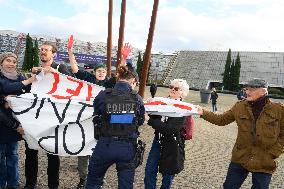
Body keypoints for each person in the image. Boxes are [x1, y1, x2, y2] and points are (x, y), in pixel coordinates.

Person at [197, 78, 284, 189]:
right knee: (229, 187)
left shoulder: (278, 110)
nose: (247, 92)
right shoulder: (239, 106)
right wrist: (203, 112)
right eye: (246, 89)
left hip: (264, 159)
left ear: (263, 91)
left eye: (251, 89)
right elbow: (221, 120)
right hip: (240, 156)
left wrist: (274, 152)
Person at [86, 65, 145, 189]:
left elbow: (97, 113)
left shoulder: (103, 95)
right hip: (127, 147)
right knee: (125, 185)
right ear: (133, 81)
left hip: (105, 145)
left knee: (94, 181)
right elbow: (140, 121)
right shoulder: (137, 98)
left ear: (118, 78)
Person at [24, 41, 71, 189]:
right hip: (35, 115)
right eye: (42, 49)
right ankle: (30, 184)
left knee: (52, 152)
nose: (43, 52)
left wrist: (54, 72)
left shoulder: (60, 67)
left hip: (52, 117)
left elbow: (71, 84)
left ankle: (53, 185)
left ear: (54, 54)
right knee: (31, 151)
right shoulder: (35, 70)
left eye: (47, 50)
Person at [67, 36, 110, 189]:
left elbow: (121, 75)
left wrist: (124, 59)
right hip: (85, 120)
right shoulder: (88, 78)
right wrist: (70, 51)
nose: (101, 73)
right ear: (94, 71)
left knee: (100, 153)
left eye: (103, 71)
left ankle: (99, 179)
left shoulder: (109, 82)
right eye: (99, 71)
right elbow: (74, 69)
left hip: (102, 122)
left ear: (106, 73)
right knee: (83, 150)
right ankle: (83, 178)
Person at [144, 79, 189, 189]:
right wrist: (150, 104)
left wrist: (150, 120)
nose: (173, 89)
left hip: (172, 144)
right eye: (171, 87)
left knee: (168, 175)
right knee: (150, 170)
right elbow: (155, 117)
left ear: (182, 92)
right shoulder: (162, 103)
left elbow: (170, 129)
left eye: (176, 88)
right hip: (158, 141)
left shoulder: (183, 108)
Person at [0, 52, 36, 189]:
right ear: (1, 62)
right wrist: (4, 97)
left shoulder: (19, 77)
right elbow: (6, 87)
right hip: (4, 125)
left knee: (13, 157)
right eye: (8, 60)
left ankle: (13, 184)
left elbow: (29, 93)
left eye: (14, 62)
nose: (11, 64)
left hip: (14, 127)